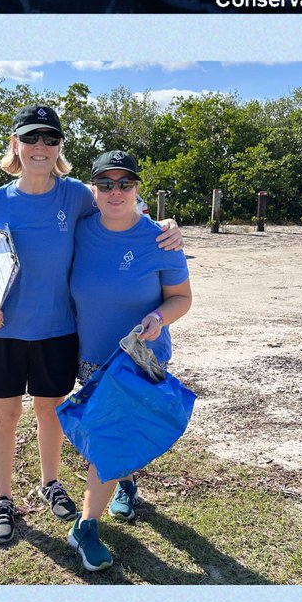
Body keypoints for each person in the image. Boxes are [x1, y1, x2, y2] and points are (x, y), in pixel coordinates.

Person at [0, 106, 182, 549]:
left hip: (58, 333)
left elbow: (122, 202)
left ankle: (50, 484)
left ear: (60, 147)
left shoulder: (76, 195)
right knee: (4, 417)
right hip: (0, 332)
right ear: (15, 144)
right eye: (31, 138)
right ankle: (3, 500)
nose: (40, 147)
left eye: (50, 139)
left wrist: (168, 226)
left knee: (51, 413)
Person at [65, 150, 192, 572]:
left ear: (138, 188)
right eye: (105, 184)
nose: (115, 192)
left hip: (141, 357)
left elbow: (182, 298)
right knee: (115, 434)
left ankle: (85, 527)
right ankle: (126, 482)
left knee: (110, 437)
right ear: (93, 190)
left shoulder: (160, 238)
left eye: (125, 183)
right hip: (93, 359)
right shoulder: (80, 231)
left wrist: (158, 316)